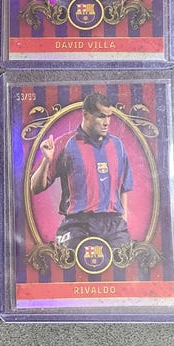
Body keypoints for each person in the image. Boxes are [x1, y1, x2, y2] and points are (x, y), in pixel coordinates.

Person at [30, 92, 133, 249]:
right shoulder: (65, 143)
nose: (107, 122)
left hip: (114, 227)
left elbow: (124, 187)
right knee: (72, 264)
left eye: (109, 116)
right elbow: (35, 187)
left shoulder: (117, 145)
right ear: (86, 115)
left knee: (122, 264)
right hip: (77, 225)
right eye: (101, 116)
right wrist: (46, 160)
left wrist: (123, 219)